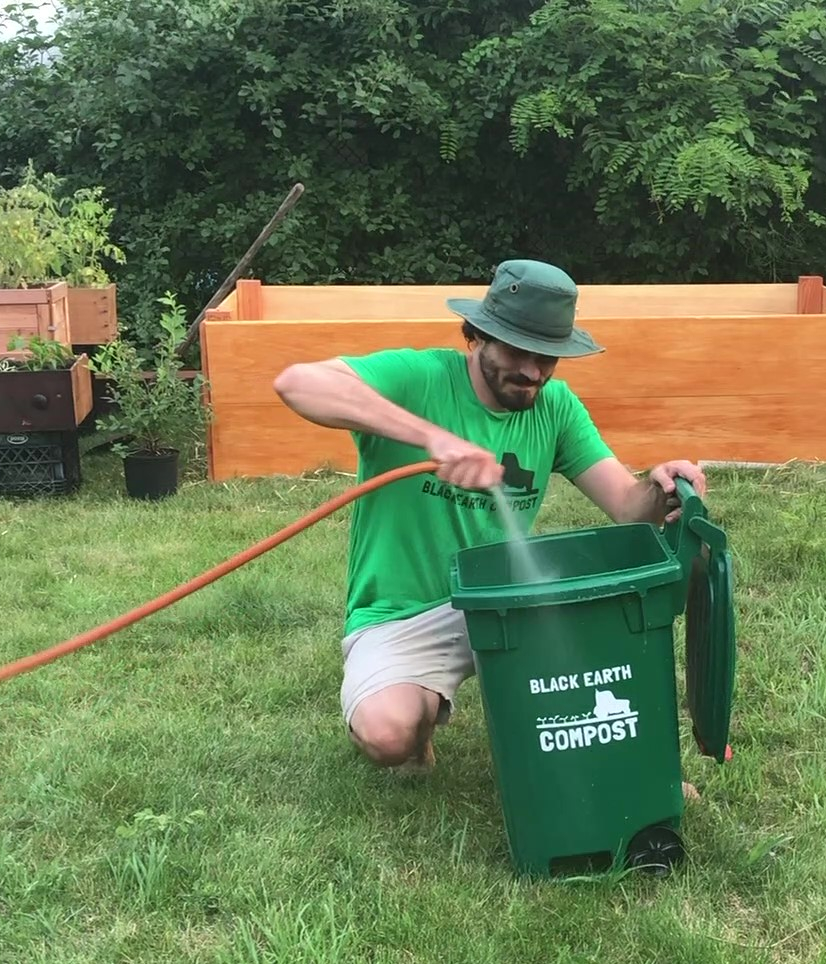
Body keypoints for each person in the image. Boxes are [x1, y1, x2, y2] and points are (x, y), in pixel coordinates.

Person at [271, 259, 708, 771]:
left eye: (548, 357)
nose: (532, 371)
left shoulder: (555, 407)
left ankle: (634, 768)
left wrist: (662, 488)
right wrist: (430, 437)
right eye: (518, 350)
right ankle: (420, 712)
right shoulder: (421, 378)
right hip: (402, 611)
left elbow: (629, 507)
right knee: (388, 735)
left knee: (598, 662)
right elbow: (296, 382)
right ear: (477, 336)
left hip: (506, 602)